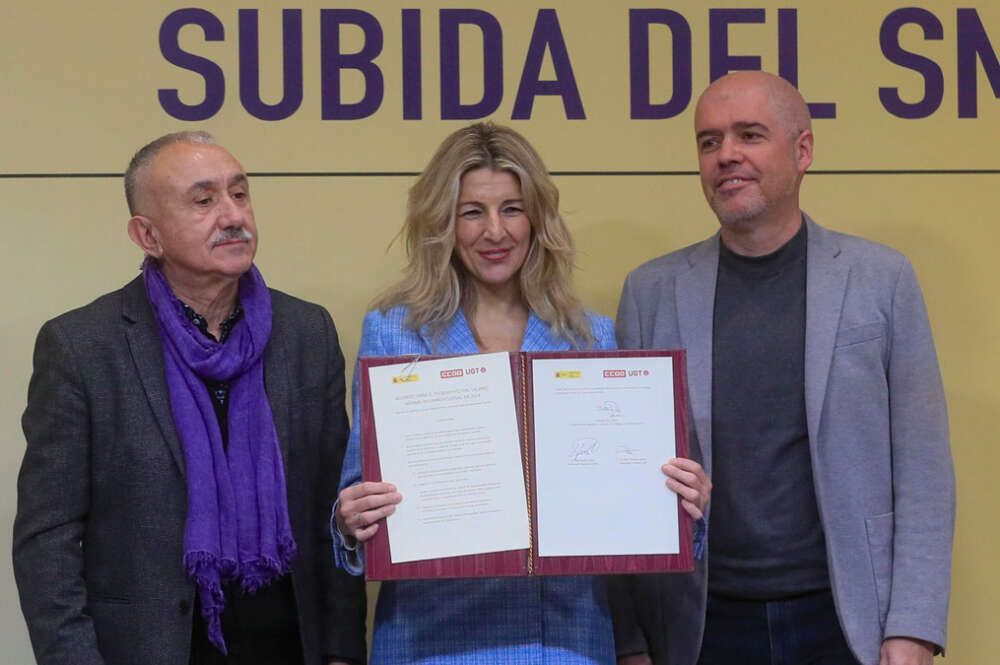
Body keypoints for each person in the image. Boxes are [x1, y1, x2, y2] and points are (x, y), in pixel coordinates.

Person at [331, 122, 710, 665]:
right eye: (472, 212)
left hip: (567, 641)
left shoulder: (589, 337)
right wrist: (351, 518)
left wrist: (681, 505)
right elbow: (355, 503)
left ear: (537, 218)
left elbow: (625, 520)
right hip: (431, 641)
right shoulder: (394, 332)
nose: (495, 231)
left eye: (511, 208)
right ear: (443, 223)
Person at [612, 71, 955, 665]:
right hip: (698, 626)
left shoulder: (882, 280)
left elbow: (924, 471)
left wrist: (914, 628)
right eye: (709, 141)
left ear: (803, 152)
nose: (727, 156)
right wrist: (631, 642)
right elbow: (618, 486)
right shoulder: (651, 292)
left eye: (749, 135)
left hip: (849, 621)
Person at [13, 131, 366, 665]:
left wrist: (342, 650)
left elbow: (331, 509)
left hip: (287, 644)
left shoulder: (305, 333)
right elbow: (48, 541)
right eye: (204, 201)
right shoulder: (83, 347)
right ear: (147, 235)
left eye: (239, 194)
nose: (232, 216)